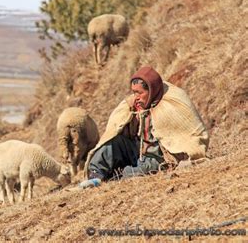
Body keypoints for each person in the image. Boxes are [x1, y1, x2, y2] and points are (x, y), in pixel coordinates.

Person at [79, 66, 209, 188]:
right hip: (138, 151)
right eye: (134, 93)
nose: (136, 98)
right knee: (111, 145)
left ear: (151, 90)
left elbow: (189, 134)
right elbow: (119, 126)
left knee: (131, 173)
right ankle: (95, 176)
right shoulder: (136, 106)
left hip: (159, 157)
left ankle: (115, 178)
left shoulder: (171, 104)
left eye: (139, 93)